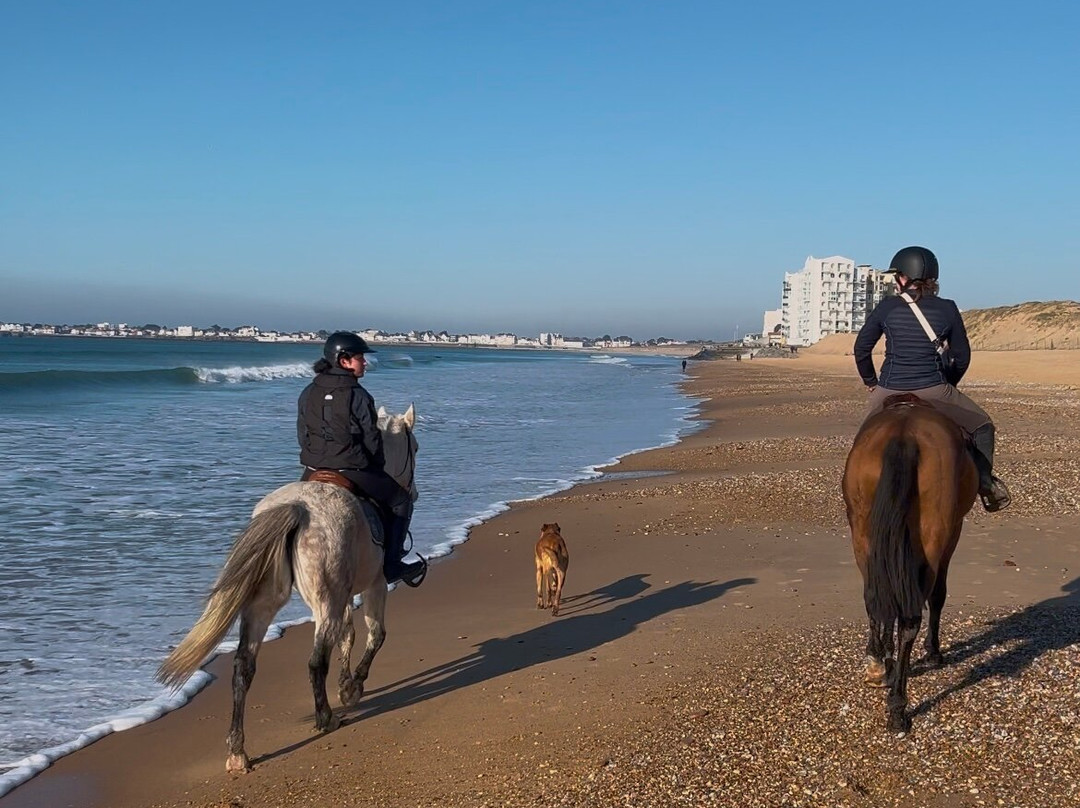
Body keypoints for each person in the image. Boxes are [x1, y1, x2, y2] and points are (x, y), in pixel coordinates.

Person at [853, 246, 1011, 512]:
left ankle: (856, 488)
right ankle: (985, 484)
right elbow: (961, 356)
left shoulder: (887, 307)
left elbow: (861, 349)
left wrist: (871, 381)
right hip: (934, 388)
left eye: (897, 276)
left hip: (888, 387)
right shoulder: (947, 309)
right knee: (983, 426)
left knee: (863, 441)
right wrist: (947, 384)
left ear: (903, 278)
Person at [297, 331, 427, 585]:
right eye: (360, 358)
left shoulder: (307, 392)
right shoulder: (358, 395)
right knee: (401, 501)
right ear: (344, 361)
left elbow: (302, 434)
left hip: (312, 469)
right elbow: (371, 439)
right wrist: (375, 467)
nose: (364, 362)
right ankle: (392, 564)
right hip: (352, 469)